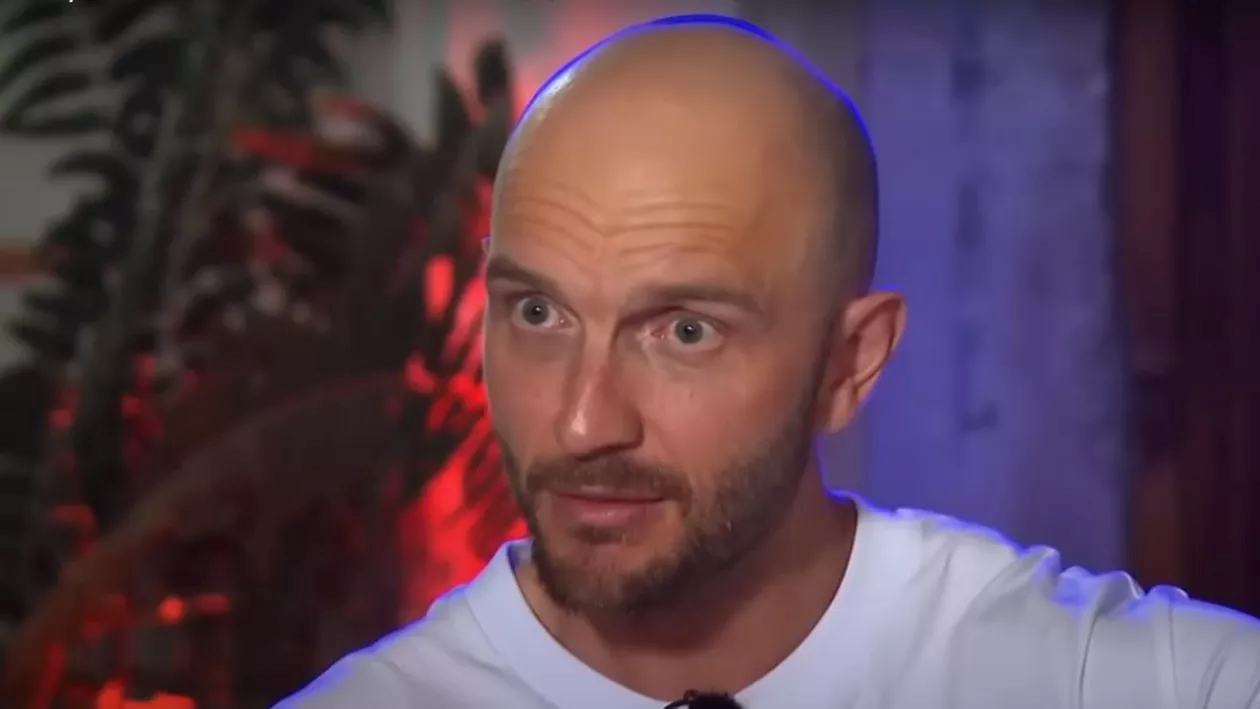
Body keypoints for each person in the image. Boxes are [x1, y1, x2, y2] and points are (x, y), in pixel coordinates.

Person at [275, 14, 1260, 709]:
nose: (582, 422)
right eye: (538, 312)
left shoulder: (1106, 678)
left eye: (684, 331)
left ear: (851, 362)